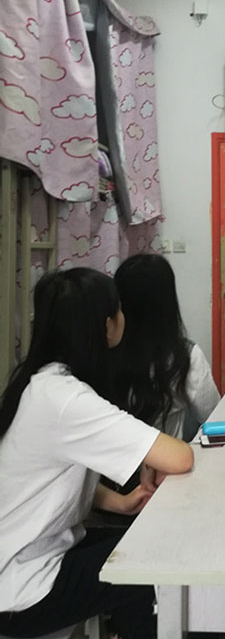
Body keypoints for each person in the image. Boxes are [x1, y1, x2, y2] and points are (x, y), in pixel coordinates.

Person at [0, 267, 194, 639]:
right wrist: (150, 457)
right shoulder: (65, 399)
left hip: (32, 556)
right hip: (22, 588)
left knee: (141, 545)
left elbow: (48, 479)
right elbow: (180, 457)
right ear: (107, 325)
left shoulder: (38, 382)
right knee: (152, 556)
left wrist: (119, 501)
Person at [110, 253, 219, 440]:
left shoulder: (100, 353)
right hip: (163, 456)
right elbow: (213, 415)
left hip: (109, 456)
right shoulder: (184, 355)